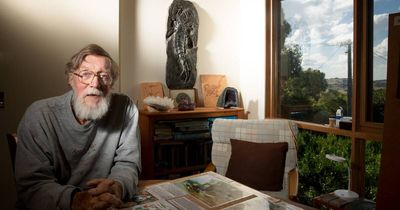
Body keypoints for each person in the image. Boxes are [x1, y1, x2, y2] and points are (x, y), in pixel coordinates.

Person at [15, 44, 141, 210]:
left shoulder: (125, 108)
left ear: (111, 83)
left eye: (104, 76)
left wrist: (116, 186)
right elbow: (33, 185)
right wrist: (78, 200)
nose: (95, 84)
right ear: (70, 79)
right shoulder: (39, 115)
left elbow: (128, 164)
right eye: (86, 74)